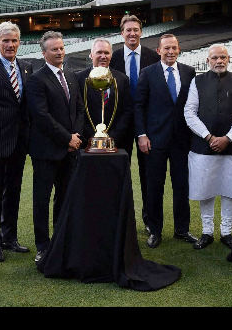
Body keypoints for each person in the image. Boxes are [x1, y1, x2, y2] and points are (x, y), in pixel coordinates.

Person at [184, 44, 232, 251]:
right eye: (215, 58)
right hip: (203, 146)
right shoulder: (197, 81)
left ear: (229, 59)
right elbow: (189, 112)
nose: (219, 61)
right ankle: (207, 232)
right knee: (206, 189)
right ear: (208, 60)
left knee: (230, 189)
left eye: (223, 57)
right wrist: (208, 136)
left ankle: (226, 232)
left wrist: (228, 138)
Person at [134, 33, 197, 248]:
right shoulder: (147, 73)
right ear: (158, 50)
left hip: (182, 141)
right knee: (154, 187)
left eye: (174, 48)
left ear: (179, 49)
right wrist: (141, 135)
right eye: (166, 48)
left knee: (182, 186)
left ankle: (182, 229)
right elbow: (139, 106)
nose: (170, 51)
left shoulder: (189, 72)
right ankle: (155, 231)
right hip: (154, 140)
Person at [26, 31, 84, 263]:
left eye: (61, 48)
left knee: (64, 197)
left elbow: (79, 109)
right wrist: (66, 138)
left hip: (70, 150)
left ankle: (61, 240)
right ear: (44, 53)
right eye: (54, 49)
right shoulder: (36, 80)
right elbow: (41, 116)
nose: (59, 52)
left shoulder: (70, 75)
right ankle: (42, 245)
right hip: (46, 151)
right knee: (42, 199)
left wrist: (75, 137)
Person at [0, 22, 33, 262]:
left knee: (13, 191)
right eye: (5, 41)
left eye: (14, 41)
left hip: (19, 142)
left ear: (19, 42)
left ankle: (10, 237)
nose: (10, 45)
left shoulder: (26, 67)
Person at [110, 14, 159, 234]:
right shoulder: (113, 57)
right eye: (128, 30)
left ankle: (149, 220)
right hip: (120, 124)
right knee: (120, 173)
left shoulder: (152, 56)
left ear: (141, 32)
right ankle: (122, 220)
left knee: (148, 175)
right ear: (122, 33)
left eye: (136, 30)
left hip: (146, 126)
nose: (132, 33)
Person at [76, 38, 132, 152]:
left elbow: (127, 110)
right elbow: (78, 111)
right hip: (87, 143)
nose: (103, 56)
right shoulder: (79, 78)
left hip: (116, 142)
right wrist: (92, 137)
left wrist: (113, 136)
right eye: (99, 52)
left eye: (106, 53)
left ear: (111, 55)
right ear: (91, 55)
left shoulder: (122, 79)